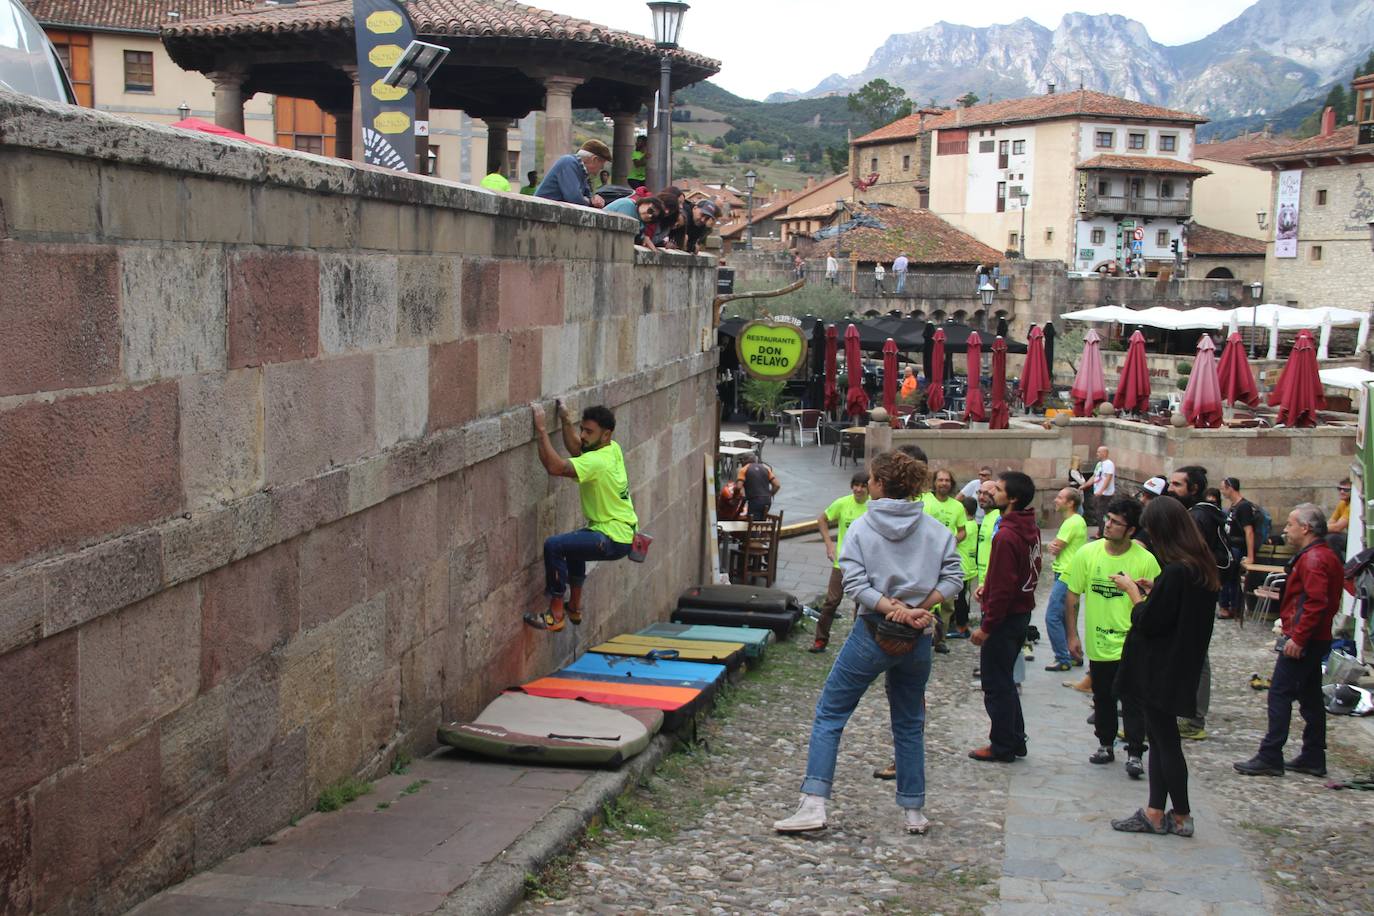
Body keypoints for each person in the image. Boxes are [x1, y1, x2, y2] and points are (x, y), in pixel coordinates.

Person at [773, 451, 962, 836]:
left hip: (874, 630)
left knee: (830, 713)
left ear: (879, 484)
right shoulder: (937, 531)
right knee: (909, 722)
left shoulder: (860, 527)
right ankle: (913, 811)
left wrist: (891, 607)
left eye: (872, 478)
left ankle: (814, 803)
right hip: (919, 635)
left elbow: (855, 584)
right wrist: (918, 609)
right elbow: (954, 579)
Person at [1110, 485, 1218, 837]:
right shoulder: (1199, 568)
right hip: (1180, 665)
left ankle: (1175, 813)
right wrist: (1156, 592)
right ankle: (1160, 811)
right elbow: (1181, 613)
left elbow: (1150, 622)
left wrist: (1135, 594)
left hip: (1160, 668)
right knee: (1161, 740)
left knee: (1165, 741)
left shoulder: (1176, 572)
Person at [1235, 504, 1344, 778]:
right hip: (1313, 636)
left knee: (1280, 693)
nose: (1286, 529)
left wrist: (1298, 637)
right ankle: (1313, 755)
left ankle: (1271, 755)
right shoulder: (1322, 555)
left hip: (1304, 638)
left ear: (1305, 528)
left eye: (1291, 524)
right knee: (1310, 696)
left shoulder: (1315, 559)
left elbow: (1316, 602)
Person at [1064, 497, 1161, 778]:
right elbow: (1072, 595)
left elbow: (1158, 600)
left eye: (1116, 523)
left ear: (1131, 530)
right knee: (1103, 697)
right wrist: (1072, 635)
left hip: (1132, 643)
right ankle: (1105, 744)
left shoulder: (1145, 560)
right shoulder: (1088, 553)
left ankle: (1134, 752)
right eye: (1108, 519)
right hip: (1098, 641)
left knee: (1133, 700)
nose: (1108, 525)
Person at [525, 402, 637, 632]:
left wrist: (542, 430)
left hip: (611, 537)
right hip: (622, 534)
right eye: (582, 429)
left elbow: (556, 467)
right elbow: (578, 450)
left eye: (588, 432)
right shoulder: (611, 448)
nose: (583, 435)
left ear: (605, 434)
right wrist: (566, 421)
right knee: (574, 545)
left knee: (554, 546)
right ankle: (574, 607)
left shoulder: (598, 462)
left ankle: (556, 614)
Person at [969, 471, 1042, 762]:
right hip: (1020, 612)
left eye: (998, 489)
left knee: (996, 685)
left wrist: (986, 627)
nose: (991, 492)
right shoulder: (1029, 527)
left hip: (1006, 618)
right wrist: (989, 588)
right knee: (1006, 682)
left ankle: (1001, 745)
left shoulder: (1007, 535)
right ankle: (1015, 739)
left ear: (1011, 498)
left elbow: (1004, 589)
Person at [1167, 465, 1226, 738]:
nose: (1171, 489)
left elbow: (1191, 557)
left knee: (1198, 657)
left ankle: (1193, 719)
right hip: (1197, 591)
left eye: (1178, 485)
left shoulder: (1199, 517)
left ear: (1194, 489)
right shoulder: (1200, 514)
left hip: (1196, 593)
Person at [812, 471, 871, 653]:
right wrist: (829, 544)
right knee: (831, 601)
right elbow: (822, 519)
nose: (858, 489)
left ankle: (857, 642)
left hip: (864, 564)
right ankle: (820, 640)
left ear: (869, 488)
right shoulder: (843, 503)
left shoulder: (873, 506)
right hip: (842, 563)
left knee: (862, 605)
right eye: (856, 485)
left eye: (862, 486)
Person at [923, 469, 968, 652]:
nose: (943, 483)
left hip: (947, 558)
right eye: (940, 480)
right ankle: (924, 637)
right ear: (934, 483)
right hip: (926, 557)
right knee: (925, 597)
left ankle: (940, 639)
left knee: (947, 602)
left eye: (947, 480)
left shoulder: (957, 506)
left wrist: (953, 540)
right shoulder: (925, 501)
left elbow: (962, 530)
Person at [1044, 487, 1087, 672]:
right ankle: (1075, 654)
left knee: (1052, 616)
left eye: (1060, 497)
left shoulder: (1072, 522)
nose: (1056, 500)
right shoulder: (1075, 521)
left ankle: (1062, 658)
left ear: (1071, 503)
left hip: (1066, 574)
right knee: (1065, 616)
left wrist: (1054, 546)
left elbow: (1056, 547)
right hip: (1069, 573)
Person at [1218, 477, 1258, 621]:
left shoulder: (1244, 506)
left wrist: (1250, 555)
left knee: (1232, 579)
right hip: (1230, 546)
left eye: (1223, 488)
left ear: (1230, 487)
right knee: (1227, 578)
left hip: (1237, 548)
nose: (1222, 491)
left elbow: (1249, 531)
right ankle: (1227, 606)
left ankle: (1233, 607)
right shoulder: (1234, 506)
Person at [535, 139, 611, 208]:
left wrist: (594, 199)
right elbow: (574, 198)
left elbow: (587, 196)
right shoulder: (568, 162)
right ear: (595, 159)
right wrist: (591, 201)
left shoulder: (582, 171)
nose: (602, 168)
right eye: (602, 164)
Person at [953, 496, 979, 639]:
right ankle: (963, 624)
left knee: (959, 599)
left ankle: (961, 627)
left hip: (961, 568)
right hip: (969, 567)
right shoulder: (974, 524)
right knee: (964, 598)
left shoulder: (966, 527)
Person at [1080, 446, 1115, 536]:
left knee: (1101, 513)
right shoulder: (1099, 464)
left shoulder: (1109, 464)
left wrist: (1101, 490)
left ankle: (1102, 533)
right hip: (1098, 493)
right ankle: (1100, 531)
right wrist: (1085, 485)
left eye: (1099, 452)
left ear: (1105, 453)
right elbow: (1094, 477)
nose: (1097, 454)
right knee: (1097, 513)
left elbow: (1108, 478)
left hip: (1105, 494)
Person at [737, 453, 780, 521]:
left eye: (742, 460)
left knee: (753, 526)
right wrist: (770, 494)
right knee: (761, 523)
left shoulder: (743, 470)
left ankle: (754, 532)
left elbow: (739, 487)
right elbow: (777, 485)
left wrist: (738, 498)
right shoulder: (766, 468)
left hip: (754, 501)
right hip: (767, 501)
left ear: (745, 461)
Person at [1328, 478, 1351, 555]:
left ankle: (1339, 565)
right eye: (1340, 489)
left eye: (1346, 490)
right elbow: (1331, 522)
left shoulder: (1352, 505)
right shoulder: (1342, 503)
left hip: (1358, 540)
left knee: (1332, 539)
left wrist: (1314, 528)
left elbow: (1338, 527)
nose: (1342, 492)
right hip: (1350, 537)